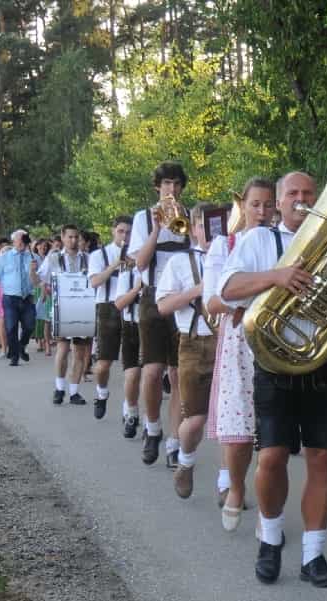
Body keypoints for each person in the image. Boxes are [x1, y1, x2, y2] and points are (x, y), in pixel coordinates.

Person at [220, 171, 327, 587]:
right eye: (293, 193)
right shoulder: (259, 240)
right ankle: (270, 538)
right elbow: (227, 288)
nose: (301, 199)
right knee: (271, 458)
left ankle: (313, 554)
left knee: (321, 459)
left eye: (308, 193)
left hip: (321, 362)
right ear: (279, 201)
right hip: (274, 363)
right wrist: (277, 276)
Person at [204, 178, 276, 525]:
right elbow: (213, 301)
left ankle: (268, 507)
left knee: (272, 429)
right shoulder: (225, 244)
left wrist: (248, 293)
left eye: (268, 205)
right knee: (238, 428)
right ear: (243, 206)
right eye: (255, 204)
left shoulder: (280, 241)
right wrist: (260, 290)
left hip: (275, 337)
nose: (262, 212)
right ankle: (235, 486)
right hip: (238, 343)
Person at [129, 161, 191, 467]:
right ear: (157, 186)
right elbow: (140, 263)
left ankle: (174, 442)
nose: (172, 189)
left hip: (183, 300)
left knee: (178, 374)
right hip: (153, 297)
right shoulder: (143, 218)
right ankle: (152, 427)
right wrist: (156, 229)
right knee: (152, 371)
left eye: (177, 184)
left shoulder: (190, 216)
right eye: (167, 183)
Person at [157, 203, 215, 500]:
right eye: (203, 225)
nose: (210, 232)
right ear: (192, 229)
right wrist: (199, 289)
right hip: (193, 343)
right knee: (195, 419)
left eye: (216, 225)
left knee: (236, 423)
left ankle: (228, 484)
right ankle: (186, 462)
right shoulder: (180, 262)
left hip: (229, 342)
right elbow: (163, 306)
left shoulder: (234, 255)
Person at [39, 224, 91, 402]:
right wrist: (37, 279)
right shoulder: (53, 258)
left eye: (76, 237)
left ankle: (74, 392)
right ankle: (59, 388)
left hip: (83, 308)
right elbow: (41, 279)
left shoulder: (88, 258)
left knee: (80, 351)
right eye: (70, 237)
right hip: (62, 307)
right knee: (62, 348)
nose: (73, 240)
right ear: (62, 237)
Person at [88, 216, 132, 419]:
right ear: (113, 231)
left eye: (128, 232)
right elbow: (94, 282)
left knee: (132, 366)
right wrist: (115, 264)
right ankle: (102, 393)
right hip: (107, 307)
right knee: (103, 364)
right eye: (121, 231)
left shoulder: (138, 253)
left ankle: (129, 408)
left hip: (131, 306)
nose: (125, 236)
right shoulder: (99, 255)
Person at [0, 230, 40, 366]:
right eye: (19, 239)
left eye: (24, 239)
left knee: (30, 326)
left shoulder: (34, 258)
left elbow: (37, 283)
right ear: (14, 241)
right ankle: (15, 356)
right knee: (10, 328)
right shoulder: (3, 257)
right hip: (10, 298)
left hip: (28, 297)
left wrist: (33, 271)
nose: (22, 242)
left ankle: (21, 346)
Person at [114, 257, 143, 439]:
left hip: (155, 327)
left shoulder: (162, 271)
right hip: (132, 326)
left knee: (153, 377)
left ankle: (152, 423)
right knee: (132, 375)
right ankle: (131, 412)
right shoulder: (128, 275)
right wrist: (136, 289)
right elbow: (119, 304)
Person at [32, 239, 53, 355]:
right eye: (42, 245)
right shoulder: (34, 257)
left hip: (50, 288)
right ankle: (41, 341)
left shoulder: (49, 257)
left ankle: (46, 341)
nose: (44, 248)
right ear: (37, 246)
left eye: (46, 246)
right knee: (41, 317)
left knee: (47, 318)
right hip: (39, 288)